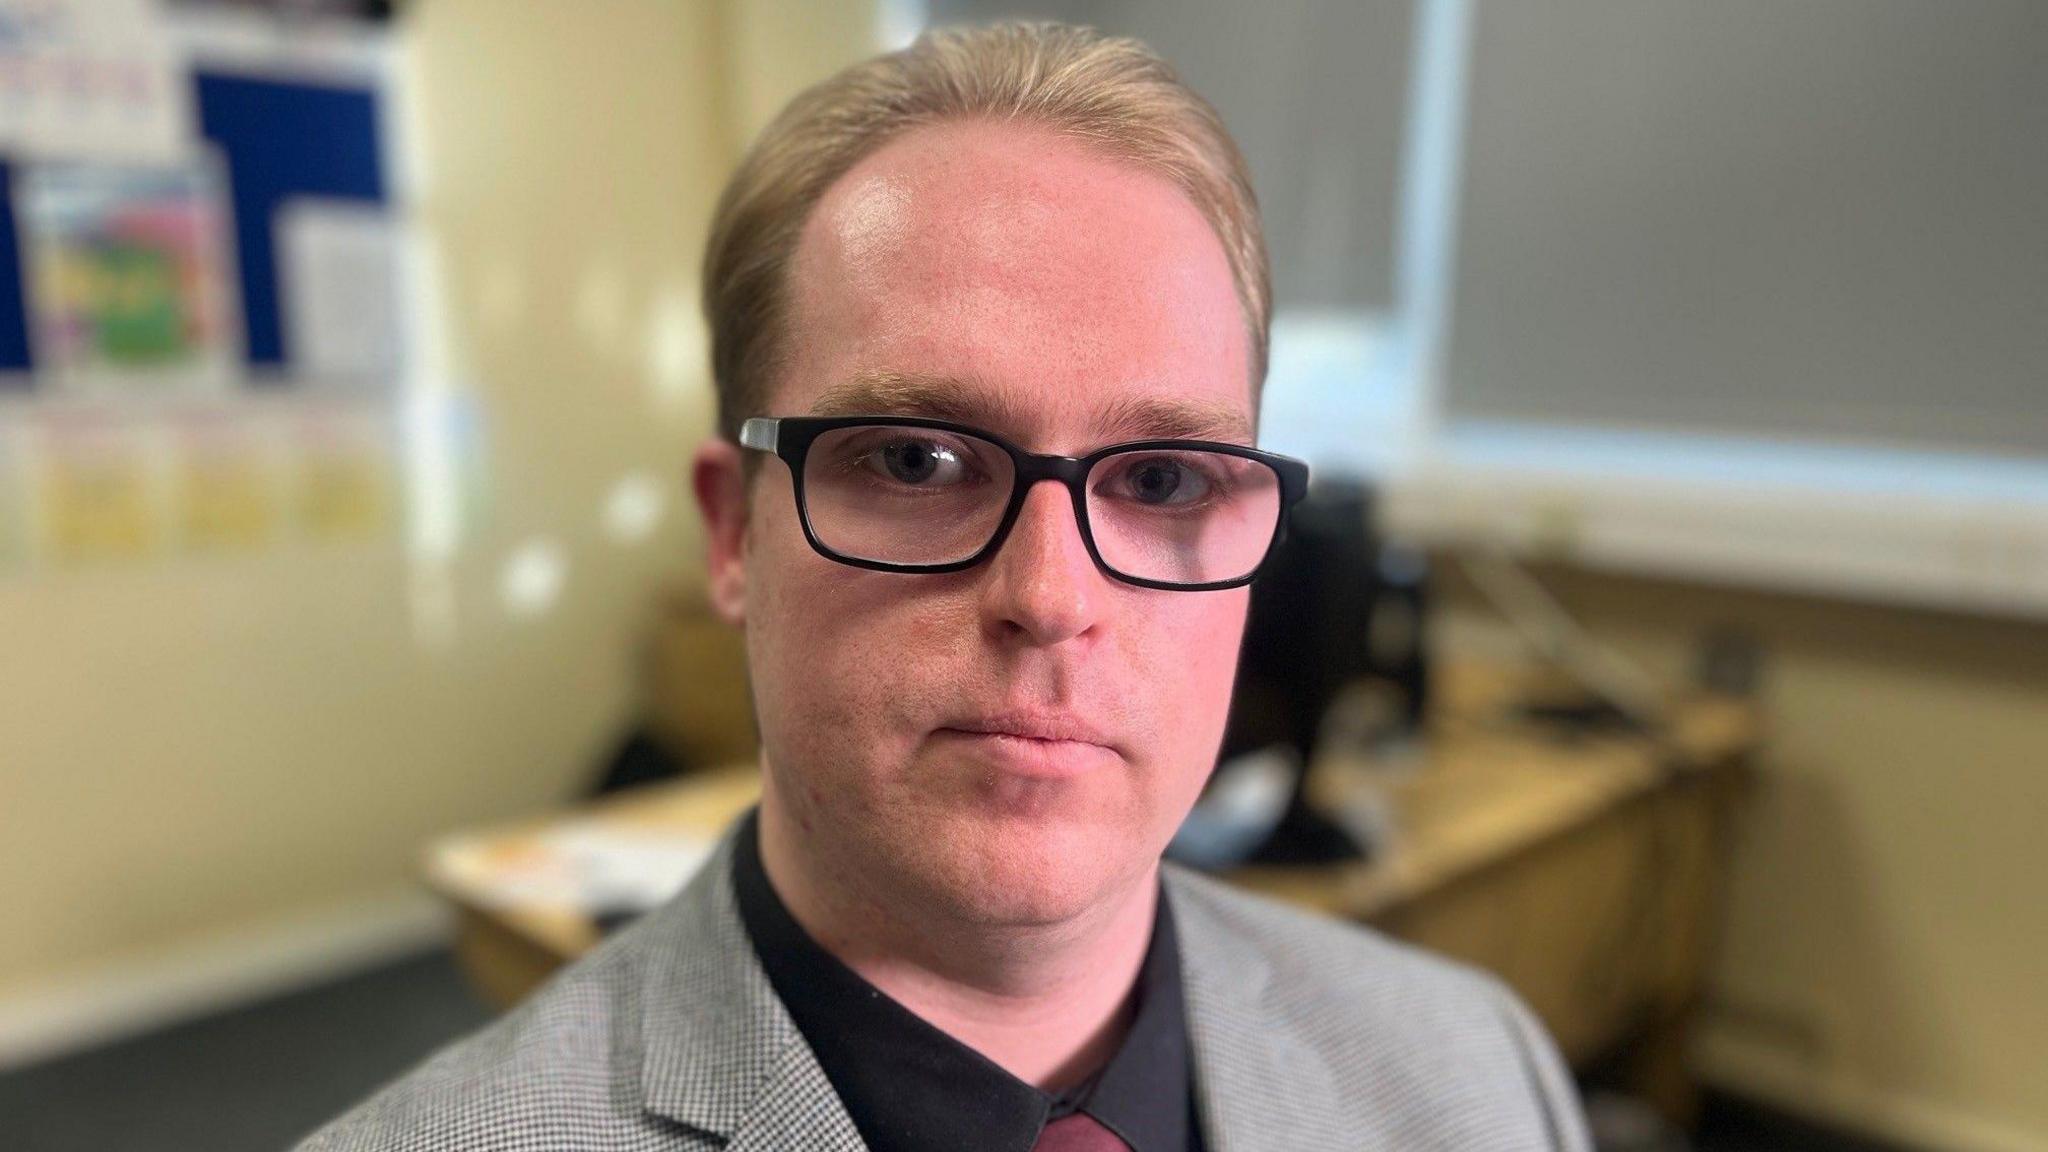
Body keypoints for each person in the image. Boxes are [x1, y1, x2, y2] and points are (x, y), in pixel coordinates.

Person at [298, 21, 1589, 1152]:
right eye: (917, 460)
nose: (1053, 596)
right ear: (733, 533)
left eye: (1163, 481)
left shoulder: (1478, 1074)